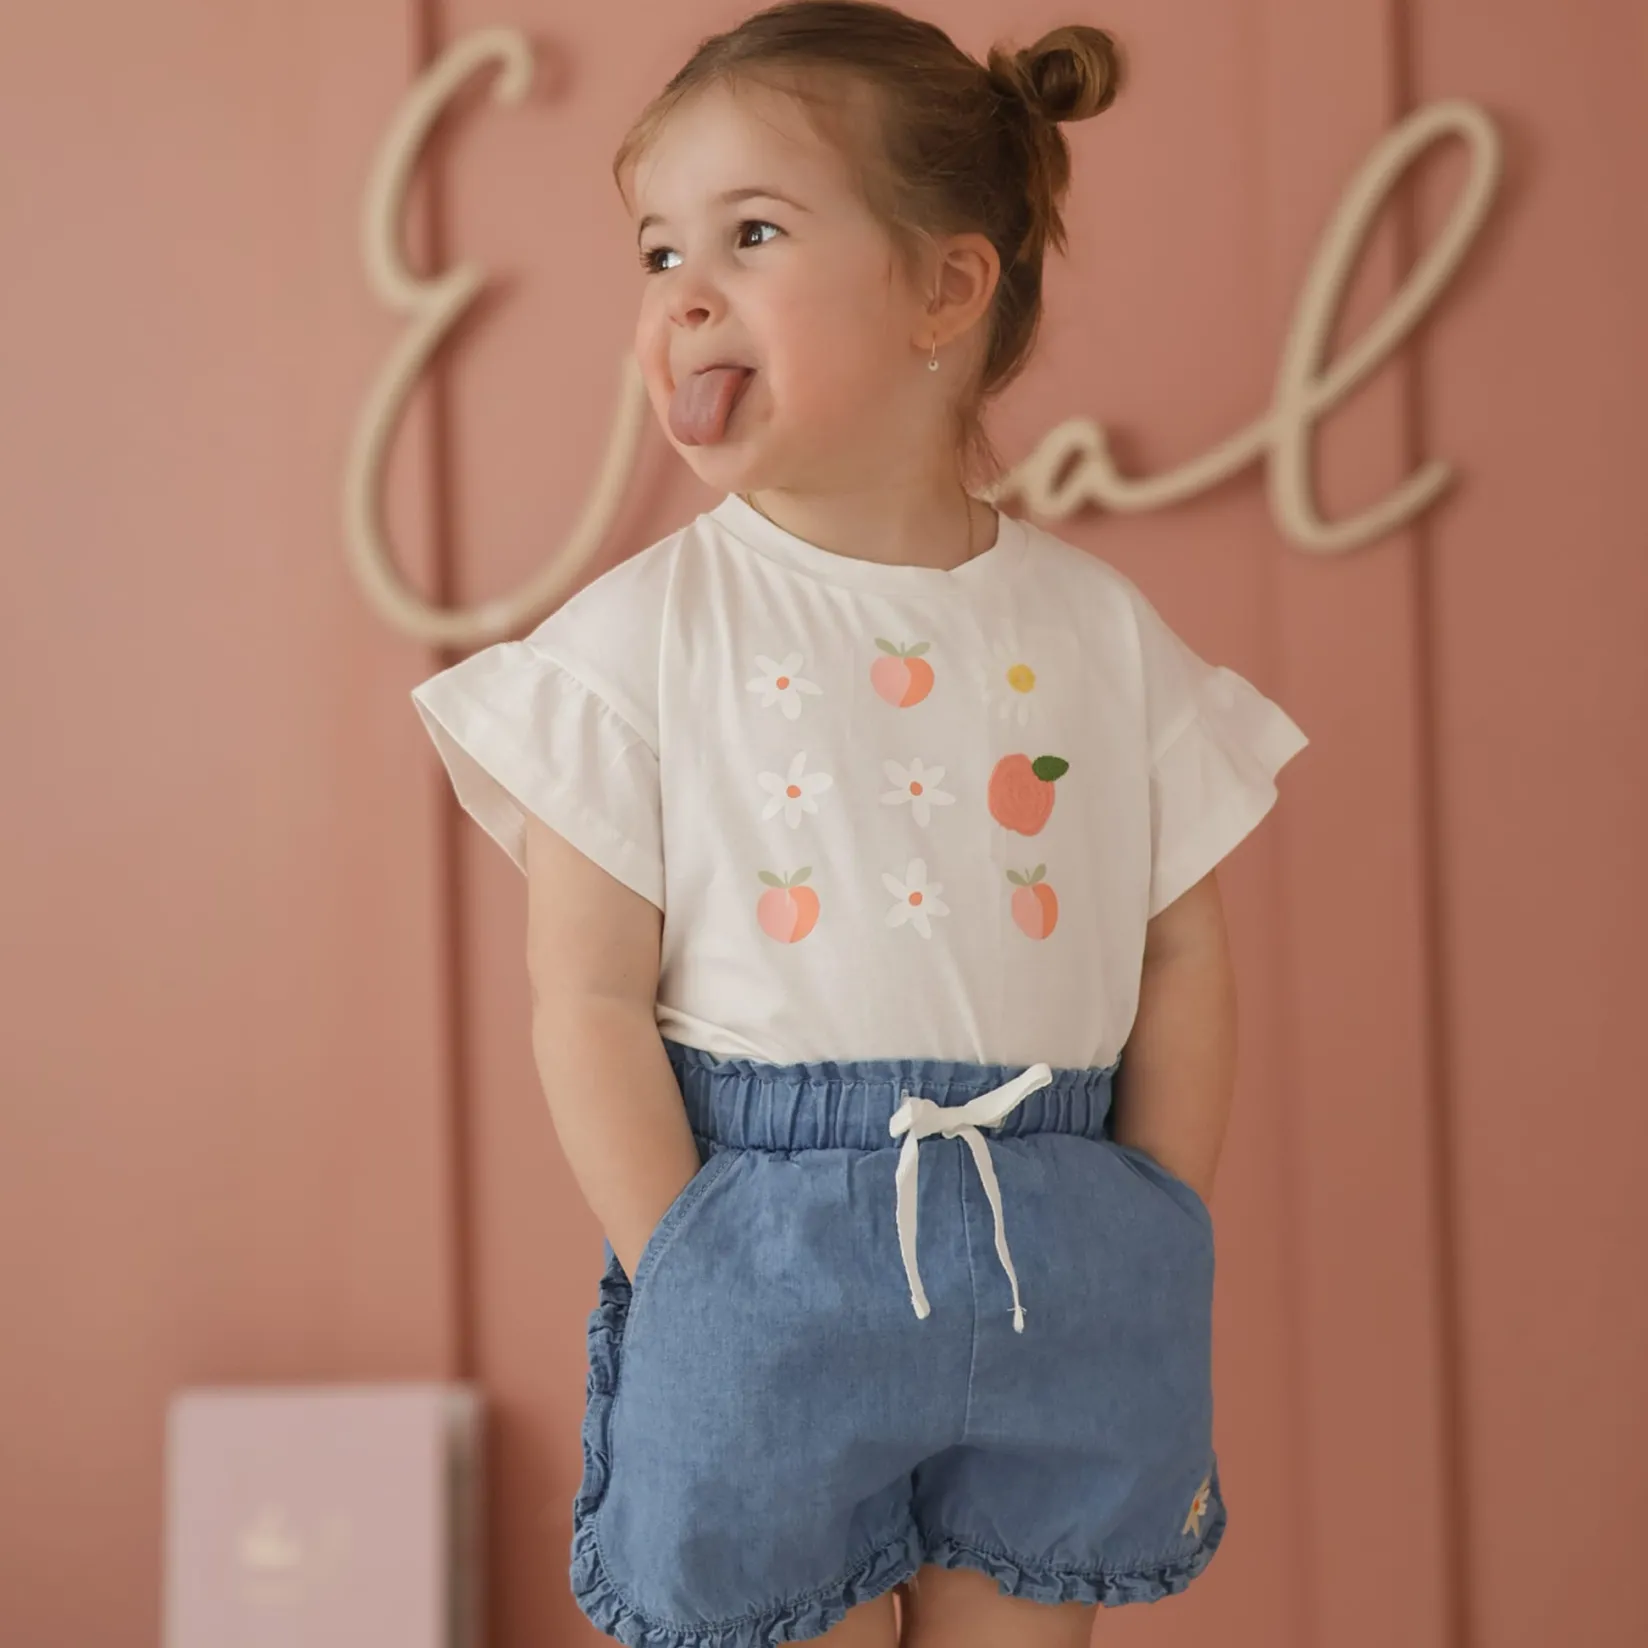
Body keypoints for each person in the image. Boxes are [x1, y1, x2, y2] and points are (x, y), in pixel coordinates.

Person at [409, 4, 1309, 1644]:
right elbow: (585, 995)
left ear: (945, 292)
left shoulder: (1098, 633)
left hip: (1062, 1237)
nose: (683, 293)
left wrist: (1152, 1217)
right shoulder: (640, 640)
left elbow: (1181, 951)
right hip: (761, 1250)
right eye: (659, 250)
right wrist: (690, 1260)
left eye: (751, 236)